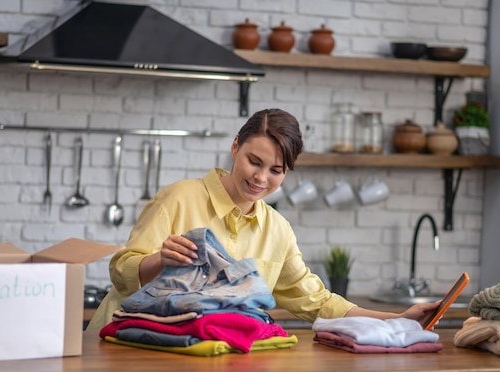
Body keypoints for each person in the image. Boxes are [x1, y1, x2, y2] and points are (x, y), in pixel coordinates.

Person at [87, 108, 438, 333]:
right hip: (121, 345)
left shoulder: (278, 230)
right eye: (254, 161)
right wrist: (159, 261)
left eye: (276, 171)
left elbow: (317, 302)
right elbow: (121, 273)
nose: (261, 178)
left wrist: (396, 319)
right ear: (235, 146)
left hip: (200, 354)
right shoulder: (179, 197)